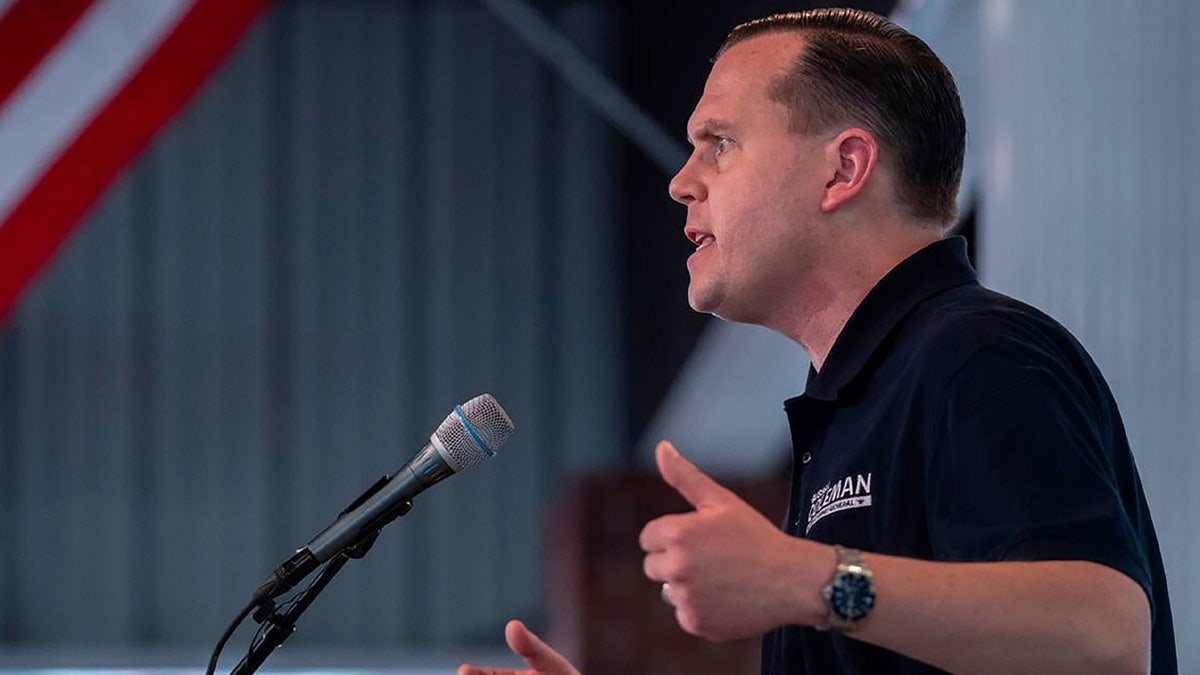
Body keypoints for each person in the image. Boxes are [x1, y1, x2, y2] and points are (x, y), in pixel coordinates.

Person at [459, 8, 1176, 675]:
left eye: (721, 144)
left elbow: (1106, 632)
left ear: (844, 169)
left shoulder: (977, 353)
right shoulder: (855, 403)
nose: (681, 182)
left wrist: (810, 578)